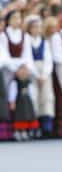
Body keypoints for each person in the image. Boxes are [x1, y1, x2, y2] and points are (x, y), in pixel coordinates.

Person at [0, 10, 37, 141]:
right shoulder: (3, 35)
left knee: (23, 99)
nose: (17, 20)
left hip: (22, 70)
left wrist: (25, 68)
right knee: (9, 98)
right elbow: (3, 55)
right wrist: (16, 69)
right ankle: (9, 131)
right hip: (8, 71)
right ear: (9, 20)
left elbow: (27, 54)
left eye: (19, 18)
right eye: (14, 18)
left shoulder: (24, 36)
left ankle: (24, 127)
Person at [25, 15, 55, 138]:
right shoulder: (27, 40)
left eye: (38, 27)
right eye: (34, 27)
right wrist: (36, 75)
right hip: (32, 72)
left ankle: (46, 127)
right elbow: (28, 58)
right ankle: (34, 126)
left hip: (44, 72)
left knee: (47, 98)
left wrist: (44, 74)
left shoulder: (44, 42)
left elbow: (48, 59)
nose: (37, 29)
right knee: (34, 97)